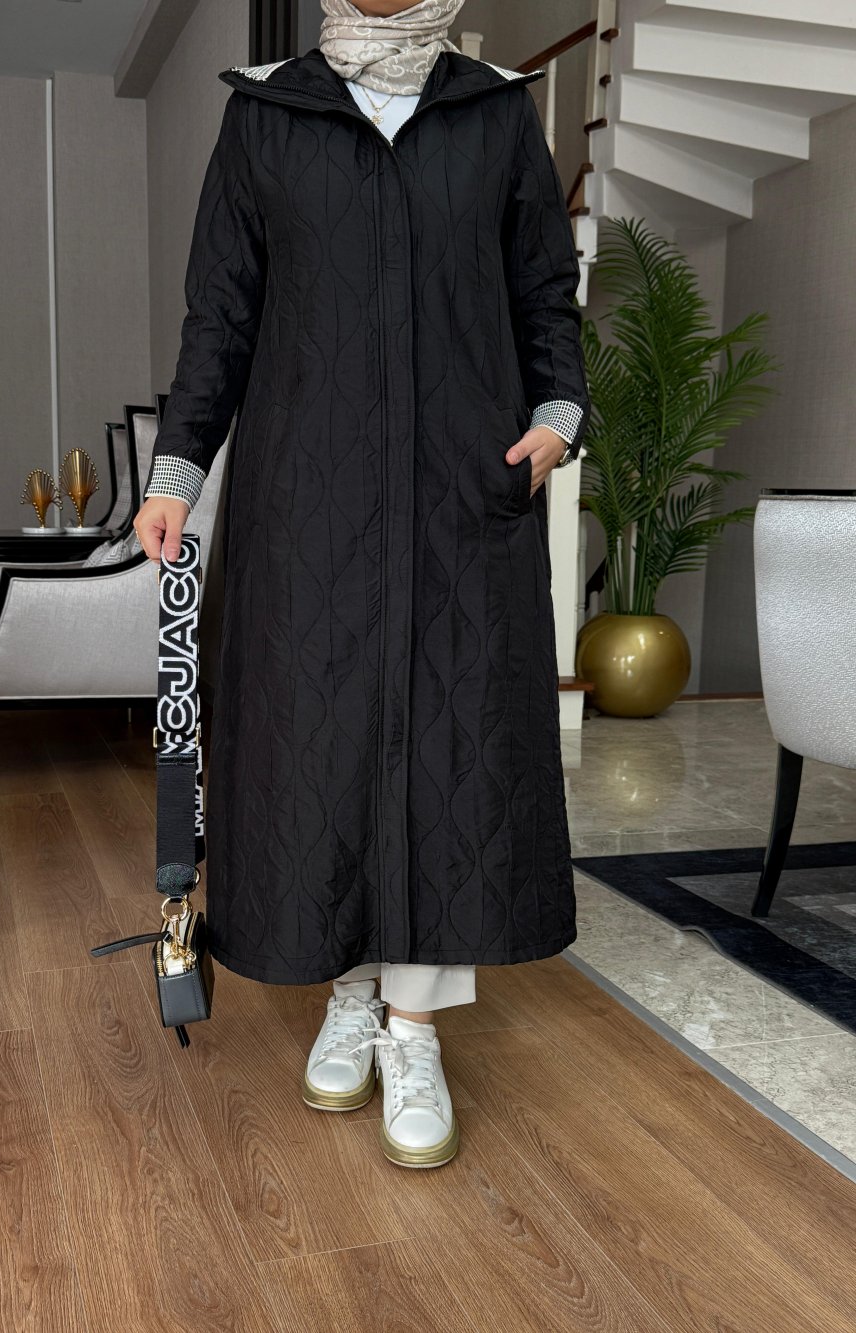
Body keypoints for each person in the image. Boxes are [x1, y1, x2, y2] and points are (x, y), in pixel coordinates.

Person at [133, 0, 589, 1170]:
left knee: (447, 751)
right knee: (321, 745)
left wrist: (556, 415)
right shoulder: (265, 116)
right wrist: (179, 470)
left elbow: (545, 290)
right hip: (308, 501)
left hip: (460, 493)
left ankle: (413, 1025)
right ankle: (347, 988)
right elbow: (220, 313)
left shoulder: (494, 113)